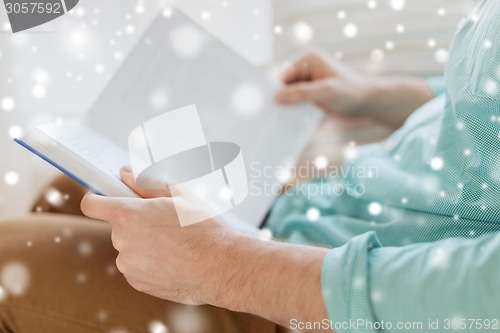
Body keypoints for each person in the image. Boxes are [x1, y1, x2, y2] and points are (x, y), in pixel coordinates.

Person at [0, 0, 498, 332]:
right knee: (66, 189)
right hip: (323, 216)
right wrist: (392, 98)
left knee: (7, 262)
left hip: (334, 302)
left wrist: (224, 265)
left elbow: (478, 296)